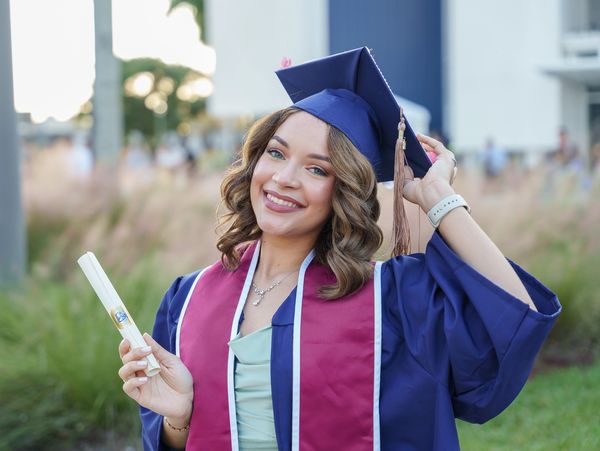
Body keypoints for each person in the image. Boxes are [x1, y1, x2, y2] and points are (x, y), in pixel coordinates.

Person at [117, 48, 561, 451]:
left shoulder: (392, 299)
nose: (284, 178)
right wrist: (177, 420)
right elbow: (177, 442)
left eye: (316, 168)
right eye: (276, 153)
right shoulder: (190, 298)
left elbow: (514, 318)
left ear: (344, 191)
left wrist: (436, 196)